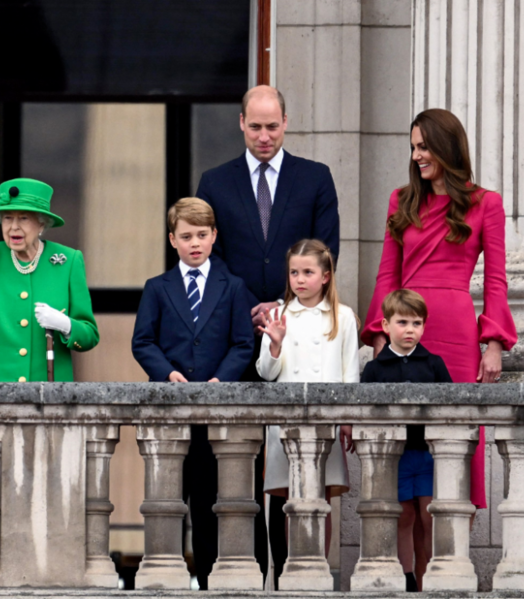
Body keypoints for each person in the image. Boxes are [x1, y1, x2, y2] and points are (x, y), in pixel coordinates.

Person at [195, 84, 341, 583]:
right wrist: (247, 308)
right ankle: (244, 573)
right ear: (240, 123)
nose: (263, 135)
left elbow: (326, 251)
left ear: (287, 122)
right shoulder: (214, 181)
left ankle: (291, 576)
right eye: (255, 126)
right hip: (233, 339)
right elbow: (206, 260)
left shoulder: (315, 178)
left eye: (272, 126)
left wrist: (281, 304)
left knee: (291, 469)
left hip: (297, 336)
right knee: (235, 462)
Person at [361, 108, 518, 517]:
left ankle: (452, 561)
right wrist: (380, 335)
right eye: (413, 148)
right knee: (400, 441)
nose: (416, 156)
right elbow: (387, 273)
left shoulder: (487, 203)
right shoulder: (401, 200)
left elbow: (497, 281)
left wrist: (494, 342)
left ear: (446, 148)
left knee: (456, 441)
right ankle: (409, 572)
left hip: (456, 333)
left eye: (424, 146)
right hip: (405, 328)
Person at [0, 178, 99, 495]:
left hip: (48, 403)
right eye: (7, 218)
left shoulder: (67, 262)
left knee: (46, 497)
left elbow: (90, 334)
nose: (13, 226)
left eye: (23, 218)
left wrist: (66, 324)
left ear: (42, 224)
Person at [131, 197, 254, 589]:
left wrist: (222, 380)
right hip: (169, 413)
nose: (195, 243)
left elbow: (242, 344)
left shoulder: (233, 287)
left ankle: (207, 582)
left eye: (202, 235)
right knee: (167, 502)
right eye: (186, 236)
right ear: (172, 239)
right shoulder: (157, 287)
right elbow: (143, 341)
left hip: (213, 415)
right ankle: (165, 581)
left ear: (214, 236)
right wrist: (166, 373)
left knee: (207, 501)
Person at [256, 239, 356, 567]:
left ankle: (319, 570)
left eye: (308, 272)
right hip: (286, 425)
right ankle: (290, 571)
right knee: (290, 501)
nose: (299, 279)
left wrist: (348, 420)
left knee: (321, 501)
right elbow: (266, 374)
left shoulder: (343, 316)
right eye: (294, 272)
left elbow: (349, 375)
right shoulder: (278, 314)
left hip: (324, 423)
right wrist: (274, 345)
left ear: (326, 276)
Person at [361, 289, 452, 592]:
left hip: (426, 455)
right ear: (385, 326)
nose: (410, 329)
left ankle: (429, 580)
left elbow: (450, 407)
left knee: (428, 517)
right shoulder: (374, 369)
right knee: (403, 517)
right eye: (402, 322)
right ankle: (407, 579)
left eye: (416, 323)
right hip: (394, 458)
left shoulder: (434, 363)